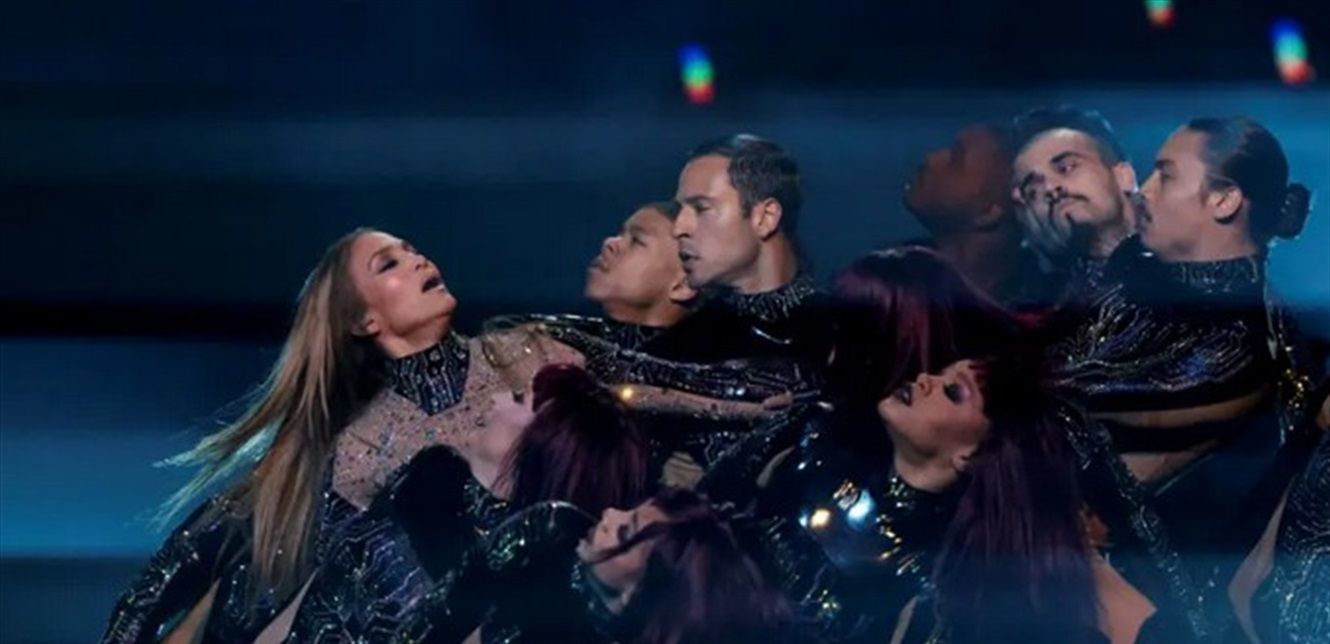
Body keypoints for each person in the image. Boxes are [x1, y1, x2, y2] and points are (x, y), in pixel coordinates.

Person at [103, 229, 475, 643]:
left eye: (414, 250)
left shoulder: (498, 410)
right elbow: (155, 588)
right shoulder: (322, 467)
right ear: (363, 320)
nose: (420, 260)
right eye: (389, 263)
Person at [277, 364, 654, 641]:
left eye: (519, 400)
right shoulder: (427, 477)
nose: (496, 399)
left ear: (545, 447)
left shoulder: (521, 600)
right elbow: (311, 602)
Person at [400, 487, 799, 644]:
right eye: (627, 511)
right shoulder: (550, 532)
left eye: (624, 533)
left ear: (637, 595)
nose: (607, 513)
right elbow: (437, 613)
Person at [902, 122, 1055, 309]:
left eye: (956, 161)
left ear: (989, 212)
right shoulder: (894, 273)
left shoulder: (1045, 311)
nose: (931, 158)